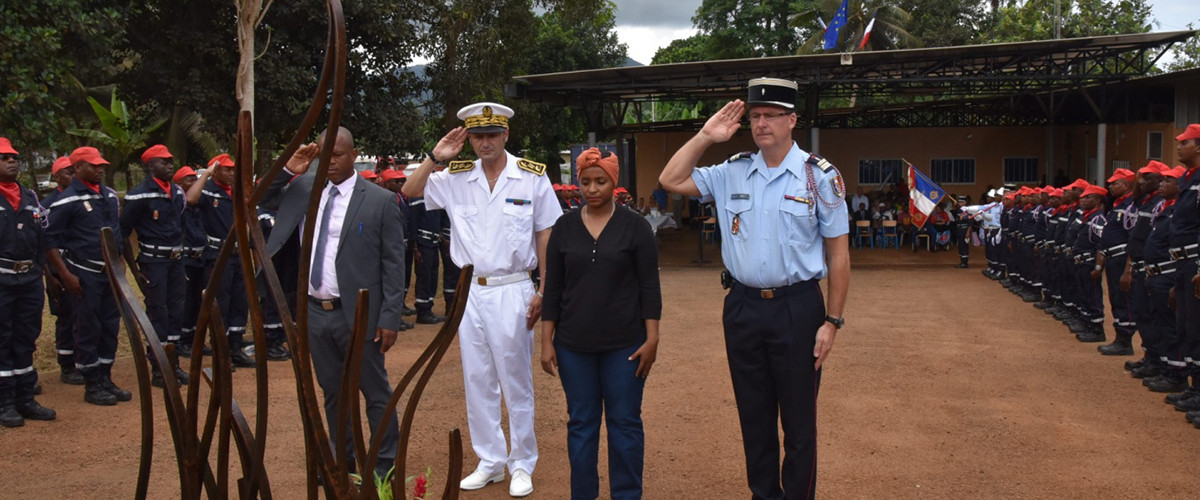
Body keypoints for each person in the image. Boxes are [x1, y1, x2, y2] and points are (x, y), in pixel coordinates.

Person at [658, 78, 850, 500]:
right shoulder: (732, 171)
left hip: (798, 308)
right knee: (754, 417)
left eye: (771, 115)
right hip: (743, 307)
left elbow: (838, 255)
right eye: (756, 116)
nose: (761, 124)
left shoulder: (819, 177)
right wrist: (706, 136)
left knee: (799, 423)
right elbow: (671, 179)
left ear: (792, 120)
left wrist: (832, 321)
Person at [402, 102, 562, 497]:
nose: (485, 142)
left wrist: (544, 289)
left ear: (506, 135)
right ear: (468, 138)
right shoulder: (456, 176)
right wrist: (435, 157)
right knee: (477, 380)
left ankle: (522, 462)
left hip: (514, 287)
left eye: (492, 134)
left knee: (516, 380)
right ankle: (491, 460)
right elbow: (409, 191)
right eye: (477, 135)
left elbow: (545, 234)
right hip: (469, 292)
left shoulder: (530, 176)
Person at [264, 127, 405, 480]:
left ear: (354, 155)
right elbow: (256, 199)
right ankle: (342, 463)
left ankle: (385, 465)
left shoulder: (378, 200)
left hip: (359, 314)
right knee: (332, 393)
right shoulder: (302, 189)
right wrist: (287, 169)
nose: (330, 162)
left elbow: (393, 264)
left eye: (338, 155)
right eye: (325, 155)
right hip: (314, 311)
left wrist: (389, 317)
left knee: (374, 391)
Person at [540, 148, 661, 500]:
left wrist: (652, 338)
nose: (592, 189)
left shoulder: (636, 226)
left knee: (625, 424)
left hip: (626, 346)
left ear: (613, 182)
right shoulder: (563, 227)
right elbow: (554, 288)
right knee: (581, 425)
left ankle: (626, 494)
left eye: (600, 181)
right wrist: (546, 341)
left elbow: (648, 286)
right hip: (573, 347)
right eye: (586, 182)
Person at [44, 146, 129, 406]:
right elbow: (48, 241)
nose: (100, 169)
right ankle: (92, 383)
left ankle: (105, 377)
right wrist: (64, 275)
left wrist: (120, 262)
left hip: (110, 274)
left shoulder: (109, 196)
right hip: (85, 273)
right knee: (88, 328)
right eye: (93, 165)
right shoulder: (66, 200)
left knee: (109, 326)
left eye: (101, 165)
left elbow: (117, 234)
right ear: (77, 168)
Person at [118, 144, 190, 387]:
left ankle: (174, 364)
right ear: (150, 166)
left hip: (176, 261)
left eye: (171, 161)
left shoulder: (177, 193)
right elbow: (124, 232)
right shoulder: (139, 195)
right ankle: (159, 369)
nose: (169, 165)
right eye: (163, 162)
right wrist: (134, 269)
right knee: (158, 312)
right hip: (154, 261)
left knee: (176, 312)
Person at [0, 137, 56, 427]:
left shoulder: (30, 197)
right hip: (2, 280)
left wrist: (46, 273)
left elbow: (43, 238)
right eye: (4, 157)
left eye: (14, 157)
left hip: (30, 279)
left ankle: (25, 398)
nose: (12, 161)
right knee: (2, 339)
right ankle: (5, 402)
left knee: (26, 338)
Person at [185, 154, 255, 368]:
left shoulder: (236, 192)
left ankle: (235, 348)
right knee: (221, 303)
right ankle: (220, 352)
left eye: (233, 169)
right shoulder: (208, 191)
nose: (232, 173)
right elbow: (190, 199)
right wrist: (204, 174)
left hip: (238, 254)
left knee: (239, 302)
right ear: (215, 171)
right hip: (218, 254)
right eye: (226, 169)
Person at [41, 156, 84, 385]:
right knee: (66, 317)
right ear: (57, 177)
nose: (73, 175)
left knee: (81, 316)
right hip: (58, 270)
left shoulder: (80, 198)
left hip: (78, 267)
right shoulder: (49, 205)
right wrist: (50, 276)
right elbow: (44, 243)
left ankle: (80, 361)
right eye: (67, 172)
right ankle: (66, 365)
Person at [174, 166, 205, 359]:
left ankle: (194, 339)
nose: (194, 184)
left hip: (201, 258)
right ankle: (183, 340)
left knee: (198, 302)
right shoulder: (179, 206)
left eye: (196, 179)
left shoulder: (201, 206)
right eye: (189, 180)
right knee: (185, 302)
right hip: (185, 259)